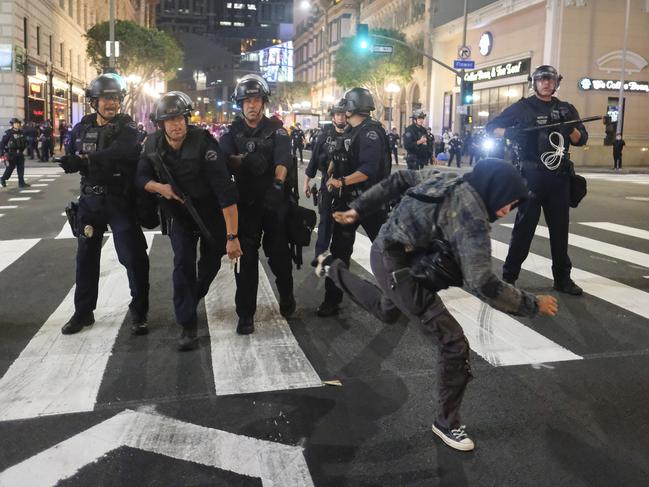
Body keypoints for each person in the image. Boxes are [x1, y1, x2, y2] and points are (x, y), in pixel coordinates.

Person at [315, 159, 559, 451]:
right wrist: (531, 305)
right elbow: (483, 283)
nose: (507, 211)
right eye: (508, 202)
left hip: (394, 252)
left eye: (514, 206)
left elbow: (400, 178)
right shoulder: (471, 215)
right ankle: (447, 423)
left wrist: (359, 208)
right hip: (397, 263)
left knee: (387, 309)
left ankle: (332, 267)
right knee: (453, 342)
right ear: (493, 189)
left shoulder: (447, 178)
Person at [137, 91, 242, 350]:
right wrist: (159, 188)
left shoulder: (204, 143)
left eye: (180, 118)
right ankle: (187, 325)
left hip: (210, 214)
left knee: (208, 267)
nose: (176, 124)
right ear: (161, 124)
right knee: (182, 263)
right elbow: (139, 178)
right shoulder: (152, 145)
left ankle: (191, 297)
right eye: (170, 120)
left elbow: (225, 193)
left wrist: (232, 237)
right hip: (178, 216)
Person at [58, 73, 150, 336]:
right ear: (94, 101)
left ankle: (140, 313)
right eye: (106, 98)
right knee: (85, 258)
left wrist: (86, 161)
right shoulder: (81, 127)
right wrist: (69, 162)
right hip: (90, 202)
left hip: (120, 200)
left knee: (133, 258)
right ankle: (83, 313)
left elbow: (122, 152)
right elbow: (71, 151)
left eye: (116, 98)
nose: (112, 103)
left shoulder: (128, 127)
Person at [486, 65, 588, 295]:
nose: (546, 83)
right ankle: (509, 277)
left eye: (550, 79)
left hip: (559, 178)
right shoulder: (522, 108)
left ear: (556, 82)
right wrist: (510, 133)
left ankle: (563, 278)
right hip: (531, 177)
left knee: (560, 231)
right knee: (524, 230)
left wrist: (568, 126)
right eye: (542, 79)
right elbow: (491, 128)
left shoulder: (566, 108)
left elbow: (581, 139)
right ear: (534, 82)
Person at [219, 74, 295, 334]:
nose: (252, 105)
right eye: (247, 101)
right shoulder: (233, 132)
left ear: (263, 103)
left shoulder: (277, 130)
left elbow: (283, 159)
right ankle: (245, 314)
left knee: (279, 257)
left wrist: (277, 184)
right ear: (240, 105)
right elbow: (224, 157)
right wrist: (242, 161)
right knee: (246, 261)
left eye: (256, 100)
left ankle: (286, 295)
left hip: (273, 202)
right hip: (246, 206)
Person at [314, 87, 390, 317]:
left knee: (387, 253)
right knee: (339, 251)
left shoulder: (370, 133)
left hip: (370, 202)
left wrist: (341, 182)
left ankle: (402, 296)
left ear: (351, 108)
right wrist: (332, 169)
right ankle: (332, 299)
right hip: (350, 202)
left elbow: (368, 169)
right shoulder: (354, 131)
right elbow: (341, 157)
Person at [304, 100, 349, 262]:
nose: (341, 118)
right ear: (333, 117)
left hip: (346, 185)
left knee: (343, 224)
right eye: (338, 114)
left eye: (344, 115)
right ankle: (320, 254)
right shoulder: (324, 136)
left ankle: (339, 257)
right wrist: (306, 182)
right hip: (326, 184)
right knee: (325, 220)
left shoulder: (353, 135)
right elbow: (314, 161)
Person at [1, 118, 29, 188]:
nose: (17, 124)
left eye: (18, 123)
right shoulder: (9, 133)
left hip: (20, 153)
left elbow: (25, 141)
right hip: (12, 154)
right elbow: (2, 143)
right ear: (12, 125)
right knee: (10, 168)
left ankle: (21, 183)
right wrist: (2, 153)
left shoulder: (21, 132)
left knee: (21, 168)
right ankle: (3, 178)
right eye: (16, 123)